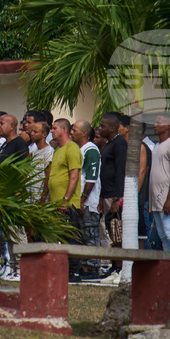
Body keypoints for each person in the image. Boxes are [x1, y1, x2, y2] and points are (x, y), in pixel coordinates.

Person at [45, 119, 84, 282]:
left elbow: (74, 176)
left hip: (68, 204)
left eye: (54, 128)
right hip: (55, 203)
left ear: (63, 130)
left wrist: (65, 199)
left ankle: (75, 271)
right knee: (59, 237)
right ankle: (64, 269)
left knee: (71, 237)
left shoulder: (72, 148)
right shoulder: (58, 150)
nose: (51, 131)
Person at [97, 112, 127, 280]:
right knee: (111, 231)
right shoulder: (108, 144)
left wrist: (117, 198)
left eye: (102, 126)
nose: (100, 129)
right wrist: (102, 197)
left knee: (117, 231)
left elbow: (120, 170)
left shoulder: (120, 144)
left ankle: (121, 268)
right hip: (106, 193)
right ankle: (115, 267)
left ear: (112, 128)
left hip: (115, 195)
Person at [149, 114, 170, 253]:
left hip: (168, 197)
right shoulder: (157, 146)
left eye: (159, 122)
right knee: (163, 236)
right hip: (157, 199)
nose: (155, 125)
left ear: (169, 126)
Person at [72, 120, 102, 279]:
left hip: (88, 203)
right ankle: (83, 267)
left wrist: (82, 199)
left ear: (84, 133)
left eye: (74, 129)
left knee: (91, 235)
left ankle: (93, 269)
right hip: (79, 202)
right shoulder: (79, 149)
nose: (71, 132)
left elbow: (91, 178)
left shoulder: (91, 150)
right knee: (81, 236)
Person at [28, 122, 53, 201]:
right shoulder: (35, 150)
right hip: (30, 197)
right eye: (32, 131)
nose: (32, 133)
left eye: (35, 132)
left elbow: (48, 178)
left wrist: (42, 199)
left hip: (39, 198)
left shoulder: (49, 151)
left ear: (44, 135)